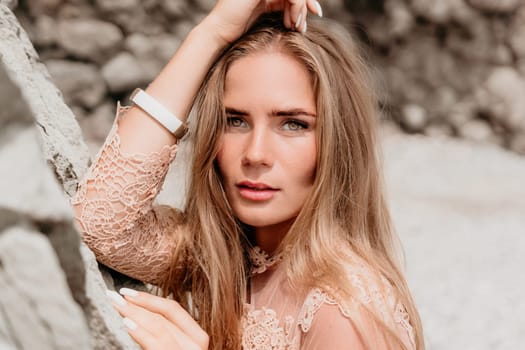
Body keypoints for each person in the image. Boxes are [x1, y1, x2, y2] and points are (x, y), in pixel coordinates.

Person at [71, 0, 424, 349]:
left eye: (292, 124)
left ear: (340, 143)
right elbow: (102, 223)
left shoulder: (344, 312)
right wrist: (211, 34)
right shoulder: (224, 254)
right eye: (235, 120)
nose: (255, 154)